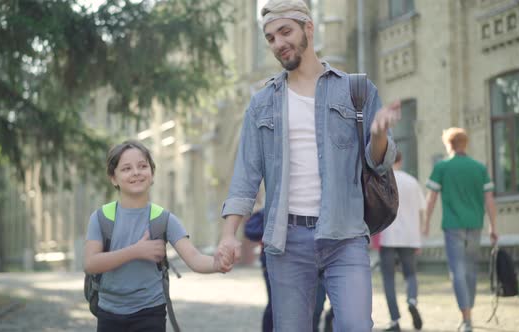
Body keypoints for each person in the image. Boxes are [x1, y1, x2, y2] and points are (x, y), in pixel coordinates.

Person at [215, 0, 401, 330]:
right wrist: (229, 234)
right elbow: (245, 175)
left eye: (285, 32)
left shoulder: (356, 90)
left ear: (308, 29)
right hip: (286, 242)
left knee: (357, 326)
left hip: (345, 234)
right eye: (271, 38)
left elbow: (378, 161)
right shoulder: (262, 103)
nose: (278, 43)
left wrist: (379, 134)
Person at [83, 140, 226, 332]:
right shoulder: (101, 218)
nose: (136, 172)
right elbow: (91, 263)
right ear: (113, 178)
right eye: (126, 168)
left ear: (152, 174)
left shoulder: (163, 218)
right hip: (109, 312)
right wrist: (135, 251)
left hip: (150, 311)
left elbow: (194, 258)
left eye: (143, 166)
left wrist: (218, 264)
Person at [424, 127, 498, 332]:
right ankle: (469, 313)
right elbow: (489, 200)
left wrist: (426, 223)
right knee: (471, 270)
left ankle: (466, 318)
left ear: (449, 145)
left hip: (452, 226)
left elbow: (431, 199)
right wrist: (493, 226)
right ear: (465, 144)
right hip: (475, 225)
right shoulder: (479, 168)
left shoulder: (442, 167)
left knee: (457, 271)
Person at [379, 151, 425, 331]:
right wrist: (419, 238)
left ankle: (395, 321)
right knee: (410, 273)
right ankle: (412, 299)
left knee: (388, 279)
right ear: (401, 160)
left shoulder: (383, 180)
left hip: (388, 236)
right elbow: (422, 210)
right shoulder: (412, 182)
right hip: (410, 237)